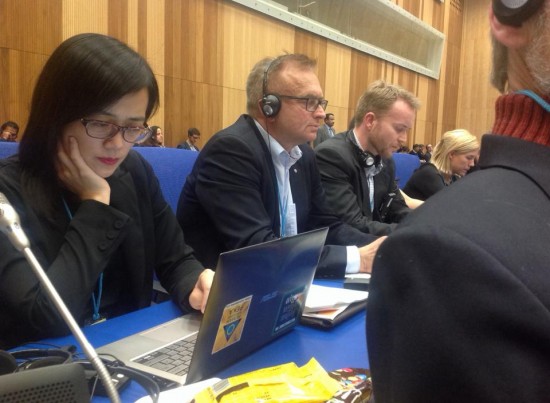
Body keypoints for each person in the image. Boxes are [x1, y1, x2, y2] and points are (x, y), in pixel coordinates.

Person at [367, 0, 550, 401]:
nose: (401, 140)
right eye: (399, 129)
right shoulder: (447, 253)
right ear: (513, 12)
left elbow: (394, 209)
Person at [0, 33, 213, 350]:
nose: (117, 143)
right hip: (47, 369)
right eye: (101, 123)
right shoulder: (8, 192)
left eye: (133, 127)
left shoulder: (134, 171)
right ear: (56, 115)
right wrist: (96, 203)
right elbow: (47, 317)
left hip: (130, 351)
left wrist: (196, 283)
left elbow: (175, 259)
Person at [176, 54, 385, 278]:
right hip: (228, 293)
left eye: (321, 103)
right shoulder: (231, 151)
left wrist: (383, 248)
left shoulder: (303, 155)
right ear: (269, 107)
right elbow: (259, 249)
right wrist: (356, 259)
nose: (321, 113)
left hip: (285, 282)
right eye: (309, 102)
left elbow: (327, 227)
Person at [315, 80, 419, 235]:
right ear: (370, 121)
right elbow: (352, 226)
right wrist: (413, 232)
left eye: (406, 131)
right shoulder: (332, 157)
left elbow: (397, 208)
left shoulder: (386, 160)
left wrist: (423, 225)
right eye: (399, 129)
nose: (404, 139)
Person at [402, 129, 479, 201]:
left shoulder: (453, 178)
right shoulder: (429, 173)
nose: (472, 164)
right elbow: (452, 207)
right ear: (452, 154)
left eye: (473, 159)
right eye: (469, 158)